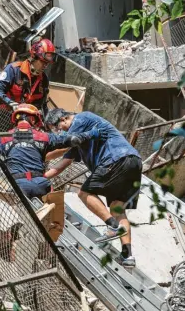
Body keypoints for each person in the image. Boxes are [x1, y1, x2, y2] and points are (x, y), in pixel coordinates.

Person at [44, 109, 142, 268]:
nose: (59, 131)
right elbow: (61, 164)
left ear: (64, 118)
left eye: (57, 127)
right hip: (133, 162)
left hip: (115, 159)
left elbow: (61, 146)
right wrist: (41, 177)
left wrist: (38, 150)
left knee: (84, 193)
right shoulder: (78, 140)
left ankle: (111, 226)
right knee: (118, 208)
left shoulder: (82, 118)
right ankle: (127, 256)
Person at [0, 104, 102, 200]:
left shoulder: (3, 138)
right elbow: (72, 140)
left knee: (15, 222)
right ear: (31, 119)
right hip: (42, 185)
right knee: (50, 224)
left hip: (18, 186)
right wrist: (92, 133)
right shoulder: (43, 137)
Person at [0, 38, 57, 134]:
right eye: (43, 62)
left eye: (47, 64)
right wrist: (12, 103)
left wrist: (46, 122)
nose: (45, 66)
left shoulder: (44, 80)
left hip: (22, 120)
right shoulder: (14, 69)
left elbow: (42, 104)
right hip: (1, 114)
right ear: (34, 57)